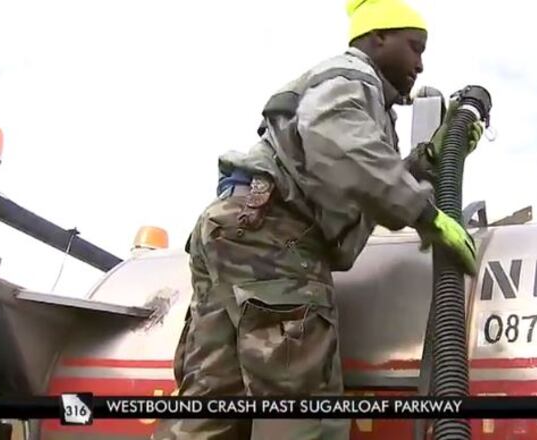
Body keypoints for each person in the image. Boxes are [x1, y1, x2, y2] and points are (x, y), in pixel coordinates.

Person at [152, 0, 484, 439]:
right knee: (304, 415)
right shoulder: (352, 75)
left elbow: (351, 173)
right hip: (277, 241)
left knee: (213, 402)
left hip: (237, 231)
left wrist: (429, 158)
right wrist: (425, 214)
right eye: (414, 47)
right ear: (377, 37)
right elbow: (339, 143)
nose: (420, 64)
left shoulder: (359, 98)